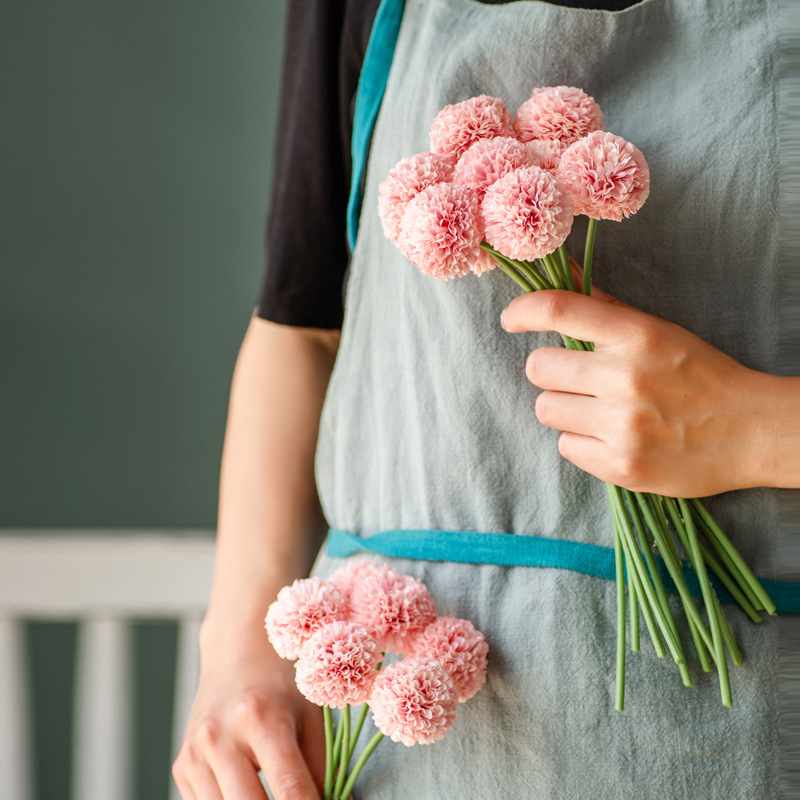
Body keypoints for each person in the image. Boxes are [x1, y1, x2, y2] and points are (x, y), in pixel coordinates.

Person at [172, 1, 799, 798]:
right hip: (409, 753)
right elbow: (303, 328)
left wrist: (763, 430)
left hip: (747, 734)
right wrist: (237, 650)